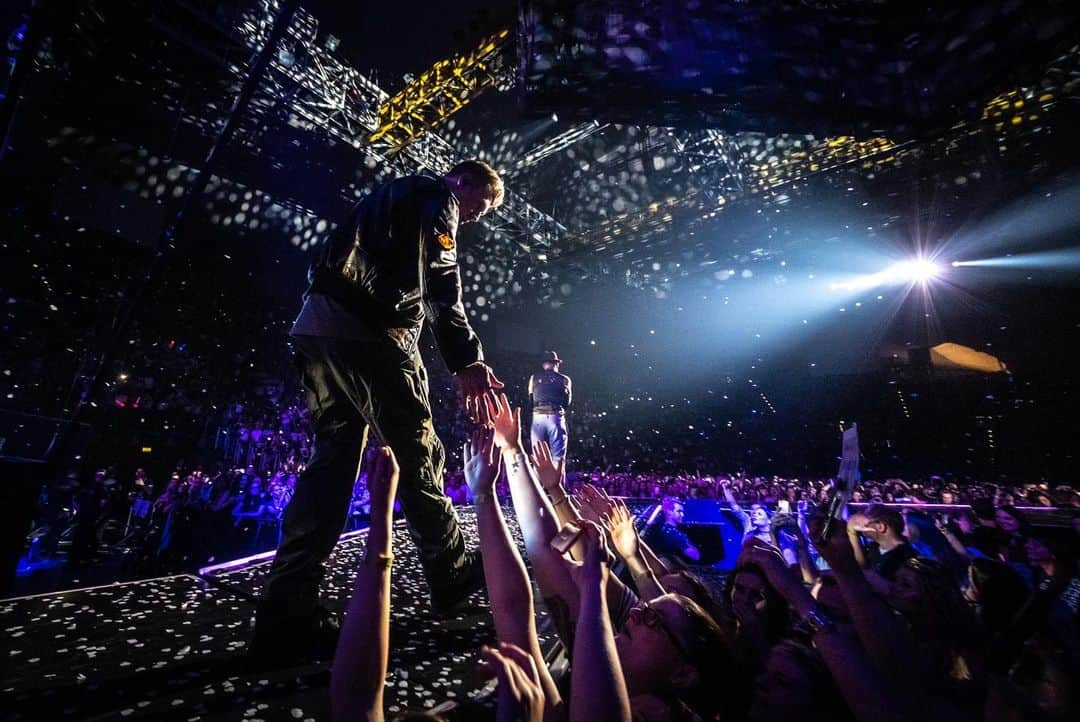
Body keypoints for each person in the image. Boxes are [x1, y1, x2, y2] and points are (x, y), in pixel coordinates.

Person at [252, 160, 506, 665]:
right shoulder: (439, 199)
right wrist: (467, 360)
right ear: (465, 182)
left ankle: (286, 611)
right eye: (483, 204)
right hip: (371, 336)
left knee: (332, 465)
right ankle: (453, 572)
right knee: (418, 452)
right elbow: (441, 282)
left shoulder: (382, 199)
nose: (477, 217)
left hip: (316, 329)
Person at [529, 350, 571, 463]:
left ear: (543, 364)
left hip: (537, 416)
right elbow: (567, 401)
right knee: (558, 456)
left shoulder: (533, 378)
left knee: (537, 455)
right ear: (557, 363)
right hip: (555, 414)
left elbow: (530, 399)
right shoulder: (565, 379)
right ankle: (558, 480)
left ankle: (536, 480)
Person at [644, 496, 702, 563]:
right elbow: (695, 556)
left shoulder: (661, 528)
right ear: (669, 512)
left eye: (682, 512)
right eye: (679, 511)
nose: (682, 515)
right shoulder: (673, 533)